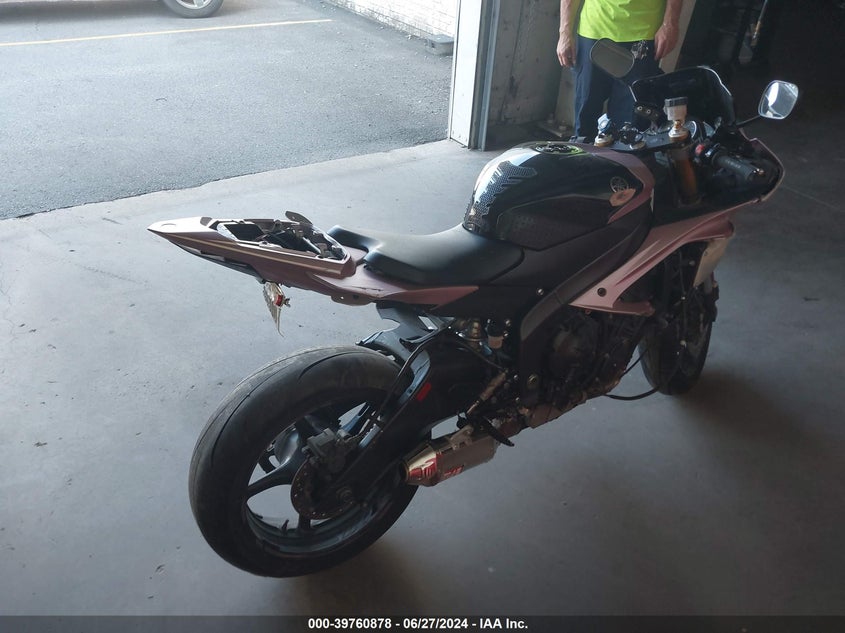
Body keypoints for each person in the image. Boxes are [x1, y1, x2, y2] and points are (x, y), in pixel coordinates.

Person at [557, 0, 682, 140]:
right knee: (585, 114)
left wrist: (670, 24)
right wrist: (564, 32)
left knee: (631, 126)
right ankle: (582, 152)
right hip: (594, 30)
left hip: (643, 34)